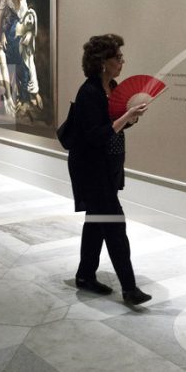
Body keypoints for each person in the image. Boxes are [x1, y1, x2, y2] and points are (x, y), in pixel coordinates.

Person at [68, 34, 152, 305]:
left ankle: (85, 276)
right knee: (115, 225)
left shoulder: (112, 87)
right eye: (117, 57)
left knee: (96, 222)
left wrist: (131, 118)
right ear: (103, 62)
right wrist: (126, 117)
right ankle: (129, 288)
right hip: (91, 168)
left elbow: (116, 126)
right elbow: (96, 135)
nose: (122, 61)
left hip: (110, 166)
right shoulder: (89, 92)